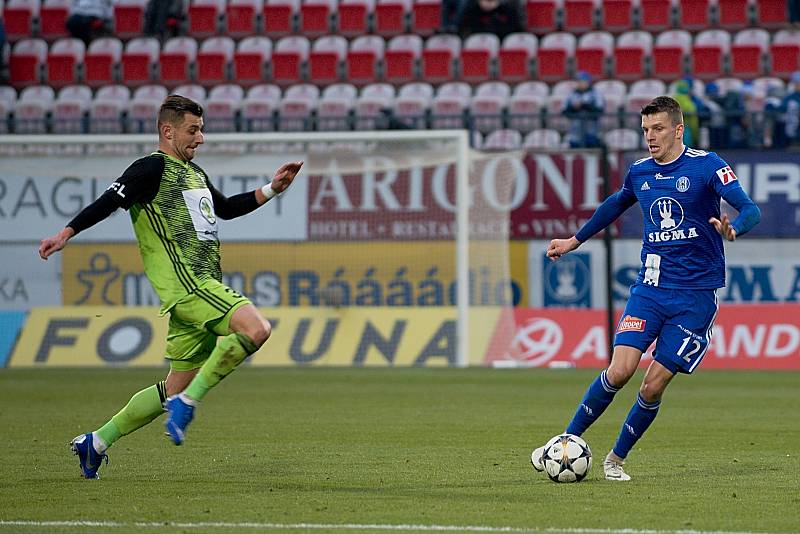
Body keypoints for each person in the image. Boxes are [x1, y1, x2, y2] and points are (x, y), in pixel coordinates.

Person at [39, 95, 304, 479]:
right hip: (189, 285)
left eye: (202, 129)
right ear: (168, 131)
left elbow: (226, 208)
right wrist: (67, 232)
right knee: (256, 329)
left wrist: (273, 188)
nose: (202, 138)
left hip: (197, 290)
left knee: (171, 387)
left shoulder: (195, 175)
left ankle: (95, 442)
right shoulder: (151, 168)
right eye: (193, 130)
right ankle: (189, 404)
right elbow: (108, 200)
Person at [531, 96, 760, 481]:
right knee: (619, 371)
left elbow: (750, 207)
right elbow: (615, 204)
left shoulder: (708, 165)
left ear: (677, 129)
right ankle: (566, 441)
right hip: (649, 291)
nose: (650, 137)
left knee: (652, 386)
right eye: (645, 131)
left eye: (657, 129)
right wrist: (575, 240)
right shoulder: (639, 171)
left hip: (694, 299)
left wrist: (734, 229)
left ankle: (614, 460)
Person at [563, 71, 604, 148]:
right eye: (578, 81)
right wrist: (574, 108)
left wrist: (584, 105)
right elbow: (565, 111)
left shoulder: (596, 93)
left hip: (592, 129)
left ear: (588, 82)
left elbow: (599, 110)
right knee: (576, 153)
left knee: (592, 150)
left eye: (582, 81)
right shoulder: (572, 94)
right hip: (575, 131)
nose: (580, 83)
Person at [455, 0, 525, 39]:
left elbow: (516, 27)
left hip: (502, 38)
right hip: (479, 38)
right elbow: (468, 27)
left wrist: (497, 4)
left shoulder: (510, 9)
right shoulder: (473, 9)